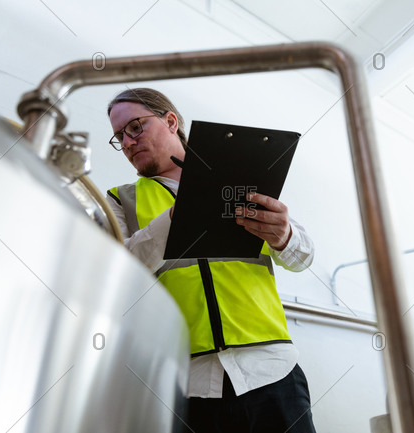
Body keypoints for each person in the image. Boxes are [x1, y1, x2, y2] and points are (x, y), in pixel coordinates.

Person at [105, 88, 317, 433]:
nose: (127, 142)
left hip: (272, 370)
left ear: (170, 121)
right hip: (185, 385)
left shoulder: (241, 176)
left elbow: (304, 257)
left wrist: (284, 235)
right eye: (119, 137)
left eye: (135, 127)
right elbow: (117, 270)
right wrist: (178, 215)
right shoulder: (119, 200)